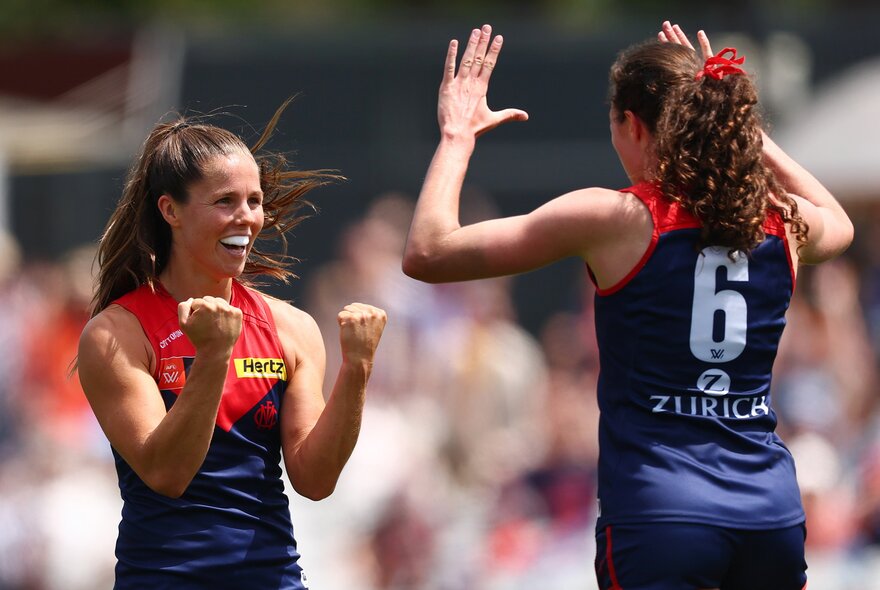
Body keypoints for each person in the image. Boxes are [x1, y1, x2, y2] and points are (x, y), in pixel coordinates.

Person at [402, 21, 853, 590]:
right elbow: (840, 223)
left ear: (632, 126)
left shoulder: (616, 219)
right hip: (770, 515)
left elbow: (427, 252)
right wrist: (744, 131)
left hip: (660, 514)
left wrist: (457, 137)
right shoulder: (781, 221)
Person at [77, 102, 387, 589]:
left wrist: (358, 369)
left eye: (254, 201)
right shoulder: (117, 334)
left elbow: (315, 480)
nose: (246, 219)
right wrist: (214, 355)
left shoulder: (291, 328)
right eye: (225, 201)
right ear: (170, 210)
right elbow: (167, 473)